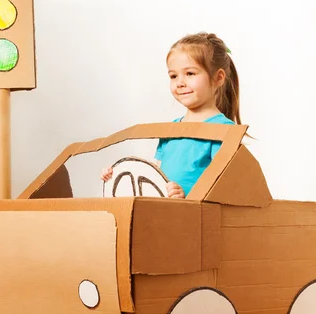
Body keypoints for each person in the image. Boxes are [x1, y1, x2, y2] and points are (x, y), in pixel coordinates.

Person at [101, 32, 241, 198]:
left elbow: (227, 190)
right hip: (166, 215)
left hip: (196, 219)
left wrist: (187, 196)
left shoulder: (223, 132)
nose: (180, 82)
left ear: (218, 78)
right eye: (173, 76)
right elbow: (155, 174)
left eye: (190, 73)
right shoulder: (171, 130)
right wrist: (116, 174)